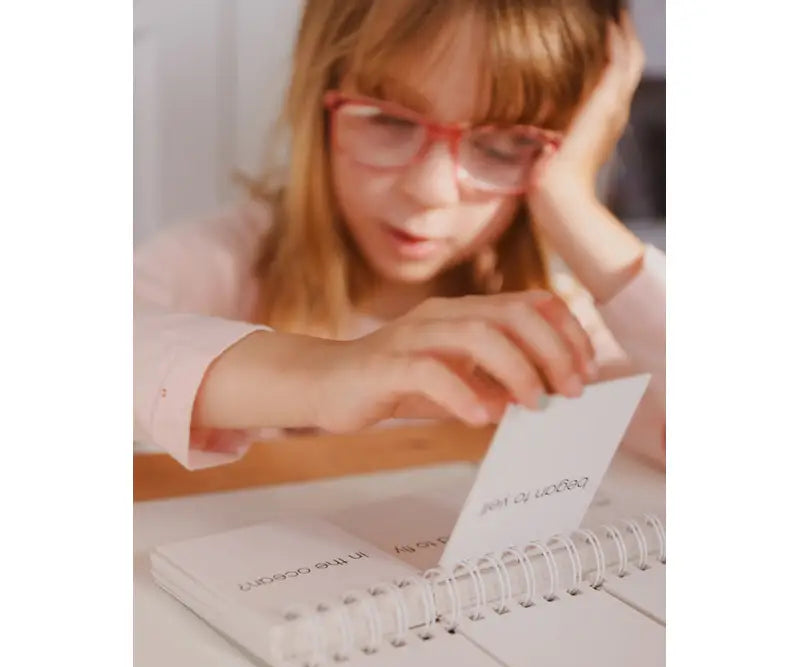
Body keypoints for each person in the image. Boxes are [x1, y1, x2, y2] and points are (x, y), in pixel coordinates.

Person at [134, 0, 665, 471]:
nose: (430, 191)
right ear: (318, 102)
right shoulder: (224, 262)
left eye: (504, 145)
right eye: (388, 121)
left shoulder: (559, 325)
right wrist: (325, 373)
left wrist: (571, 201)